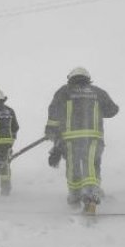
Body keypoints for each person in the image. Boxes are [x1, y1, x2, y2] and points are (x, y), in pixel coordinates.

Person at [45, 67, 119, 214]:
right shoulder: (98, 92)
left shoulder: (64, 91)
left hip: (71, 137)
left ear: (71, 78)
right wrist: (96, 108)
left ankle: (74, 196)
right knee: (91, 164)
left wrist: (51, 131)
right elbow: (113, 110)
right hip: (94, 136)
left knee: (73, 166)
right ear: (87, 78)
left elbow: (54, 113)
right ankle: (91, 194)